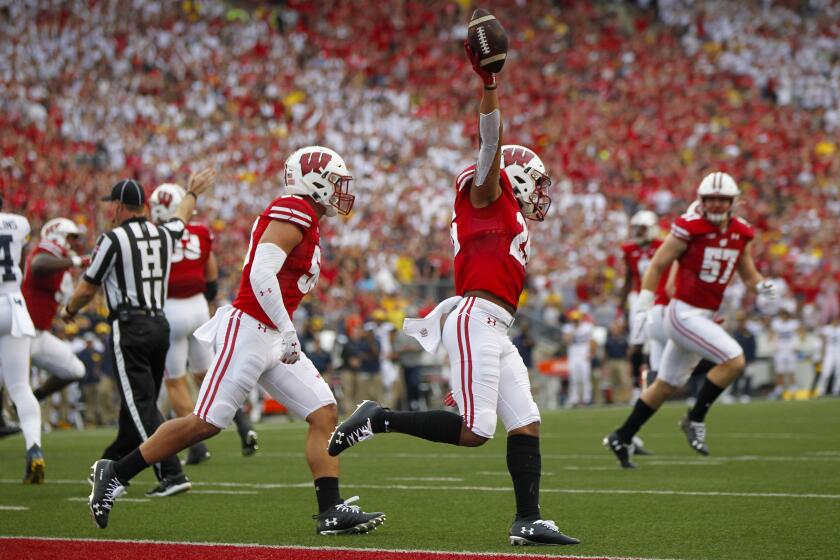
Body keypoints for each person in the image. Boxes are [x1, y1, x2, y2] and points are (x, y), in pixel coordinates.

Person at [327, 43, 579, 546]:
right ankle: (380, 419)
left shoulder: (506, 211)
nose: (541, 194)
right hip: (476, 316)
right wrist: (489, 86)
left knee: (525, 420)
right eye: (537, 183)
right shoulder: (488, 189)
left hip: (494, 325)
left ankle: (527, 519)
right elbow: (489, 149)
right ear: (517, 177)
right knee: (475, 431)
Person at [87, 147, 385, 536]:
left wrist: (284, 331)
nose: (341, 191)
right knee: (204, 424)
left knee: (323, 412)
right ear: (314, 182)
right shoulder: (293, 209)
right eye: (334, 182)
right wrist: (289, 329)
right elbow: (262, 276)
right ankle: (115, 471)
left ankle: (330, 510)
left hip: (272, 335)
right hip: (249, 330)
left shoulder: (307, 218)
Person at [604, 172, 776, 468]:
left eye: (723, 200)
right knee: (734, 360)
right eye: (712, 199)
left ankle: (622, 435)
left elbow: (747, 272)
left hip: (703, 314)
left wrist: (759, 285)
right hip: (683, 313)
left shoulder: (741, 232)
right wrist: (645, 297)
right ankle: (695, 418)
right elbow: (659, 263)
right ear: (701, 199)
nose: (717, 205)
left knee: (665, 384)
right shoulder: (690, 227)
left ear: (733, 202)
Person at [64, 171, 215, 497]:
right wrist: (192, 193)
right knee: (135, 403)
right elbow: (181, 217)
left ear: (119, 206)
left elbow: (88, 288)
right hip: (160, 327)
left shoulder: (112, 239)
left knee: (141, 402)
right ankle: (111, 462)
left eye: (112, 206)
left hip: (130, 327)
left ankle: (172, 472)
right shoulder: (163, 233)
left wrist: (69, 311)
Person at [149, 183, 258, 465]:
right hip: (198, 306)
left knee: (176, 382)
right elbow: (210, 272)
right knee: (211, 375)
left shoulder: (153, 236)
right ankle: (244, 426)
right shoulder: (199, 231)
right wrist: (208, 301)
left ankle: (195, 446)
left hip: (169, 308)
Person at [0, 192, 44, 483]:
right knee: (20, 386)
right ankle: (34, 449)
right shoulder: (19, 223)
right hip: (13, 306)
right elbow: (22, 260)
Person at [21, 218, 89, 401]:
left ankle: (33, 400)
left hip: (39, 334)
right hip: (21, 335)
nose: (76, 242)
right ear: (58, 236)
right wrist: (76, 261)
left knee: (76, 370)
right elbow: (38, 264)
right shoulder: (43, 253)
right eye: (73, 237)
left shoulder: (60, 265)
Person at [618, 210, 661, 402]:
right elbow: (628, 279)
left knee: (657, 343)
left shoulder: (662, 246)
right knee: (636, 344)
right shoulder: (629, 251)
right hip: (639, 298)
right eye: (636, 228)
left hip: (659, 297)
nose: (637, 232)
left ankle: (657, 386)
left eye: (641, 228)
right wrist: (620, 308)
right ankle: (637, 387)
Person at [562, 310, 595, 408]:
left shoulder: (587, 327)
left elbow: (593, 340)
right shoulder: (568, 328)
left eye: (577, 320)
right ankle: (574, 399)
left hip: (584, 356)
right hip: (573, 357)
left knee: (585, 378)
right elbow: (566, 341)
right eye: (574, 320)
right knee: (574, 379)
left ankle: (587, 399)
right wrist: (573, 331)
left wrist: (592, 353)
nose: (575, 322)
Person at [769, 305, 800, 400]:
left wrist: (796, 345)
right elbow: (772, 334)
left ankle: (793, 390)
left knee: (791, 370)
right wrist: (774, 345)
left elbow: (799, 333)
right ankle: (780, 390)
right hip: (780, 350)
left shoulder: (794, 323)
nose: (783, 316)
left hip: (790, 350)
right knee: (780, 371)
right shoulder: (776, 323)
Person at [815, 314, 840, 397]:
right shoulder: (827, 329)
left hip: (838, 352)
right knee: (826, 373)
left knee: (838, 373)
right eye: (834, 320)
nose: (836, 321)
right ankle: (822, 390)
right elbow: (823, 341)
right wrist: (822, 353)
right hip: (829, 353)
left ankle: (836, 391)